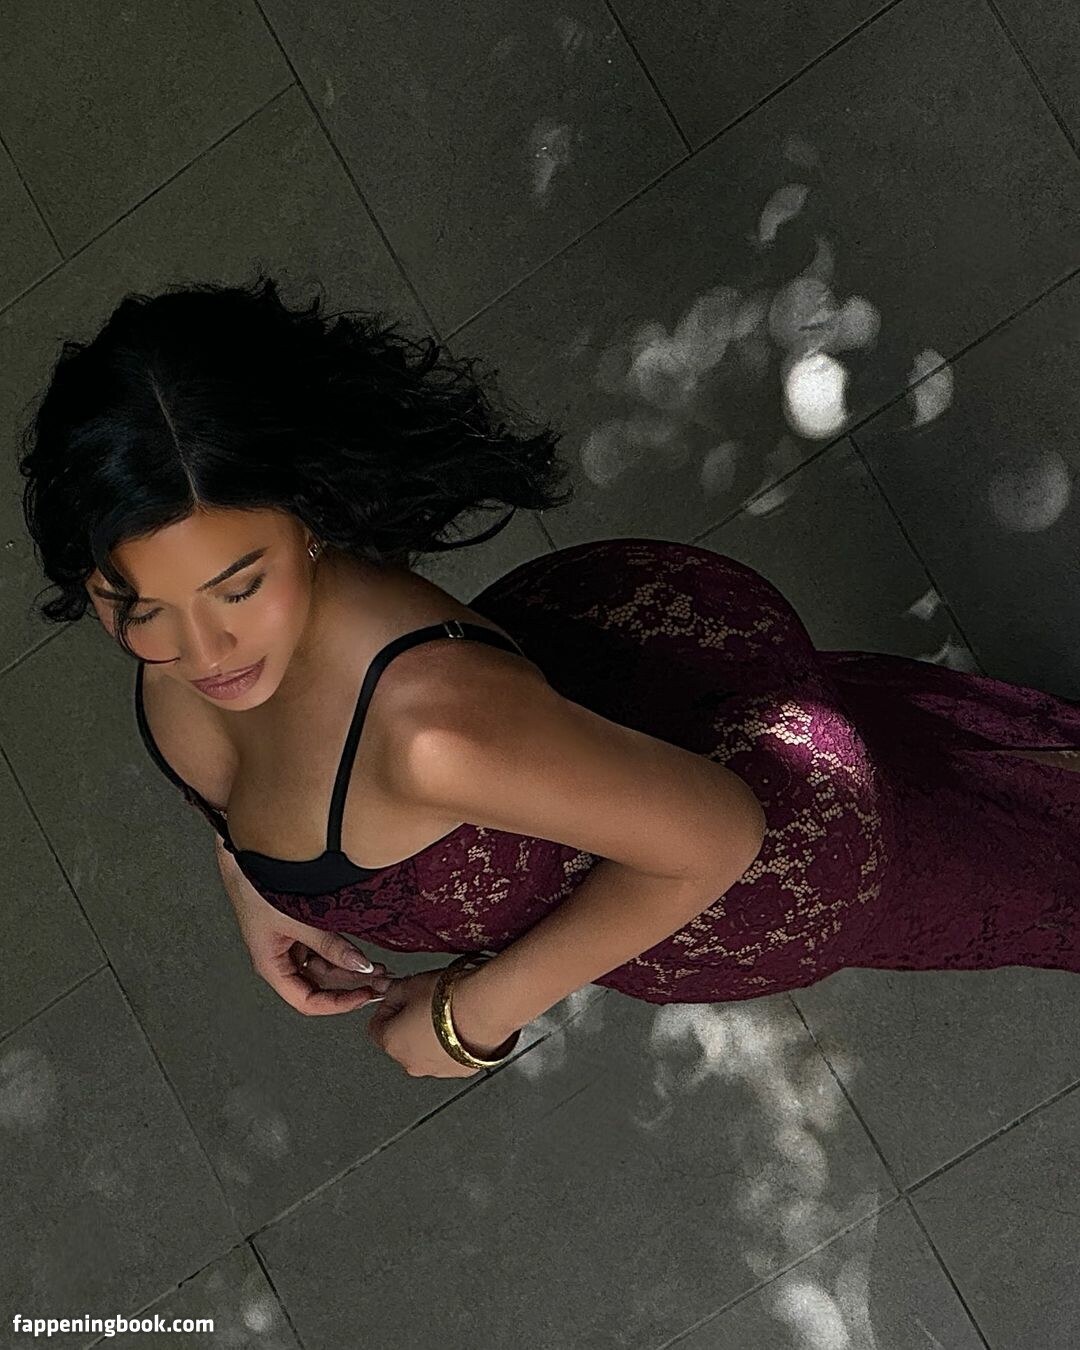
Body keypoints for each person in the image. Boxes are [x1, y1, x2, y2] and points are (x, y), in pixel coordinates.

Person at [18, 275, 1080, 1081]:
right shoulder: (211, 646)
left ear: (307, 518)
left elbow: (718, 838)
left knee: (1017, 877)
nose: (201, 652)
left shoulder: (434, 735)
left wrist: (464, 1023)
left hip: (751, 875)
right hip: (603, 764)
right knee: (980, 784)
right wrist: (253, 879)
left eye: (238, 589)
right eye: (136, 606)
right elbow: (237, 772)